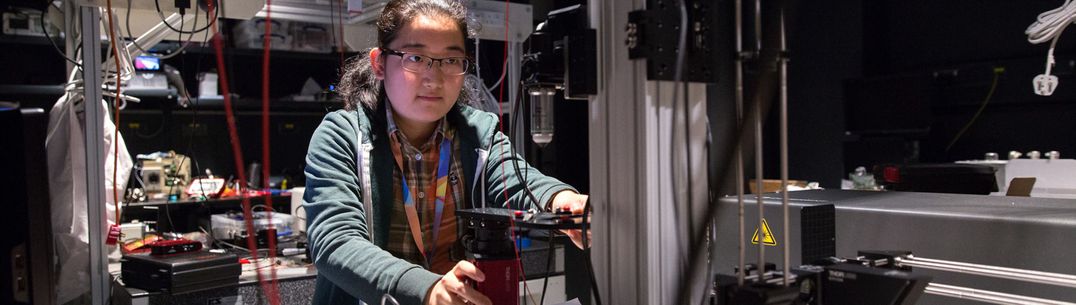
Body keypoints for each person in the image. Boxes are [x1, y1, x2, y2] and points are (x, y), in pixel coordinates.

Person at [302, 1, 590, 304]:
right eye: (415, 57)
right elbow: (335, 242)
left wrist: (562, 200)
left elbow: (517, 180)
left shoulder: (478, 134)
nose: (435, 78)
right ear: (379, 64)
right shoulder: (341, 136)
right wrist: (427, 288)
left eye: (451, 60)